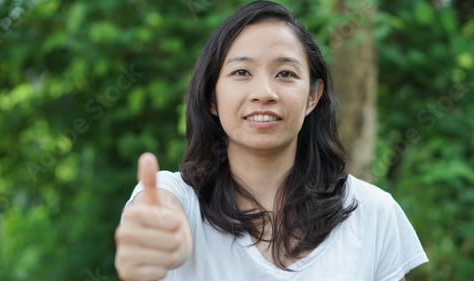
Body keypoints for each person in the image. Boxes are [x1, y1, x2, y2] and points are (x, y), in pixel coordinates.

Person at [114, 1, 428, 280]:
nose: (264, 92)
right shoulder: (174, 197)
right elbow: (158, 217)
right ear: (212, 97)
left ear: (312, 96)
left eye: (285, 74)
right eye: (241, 72)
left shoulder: (373, 213)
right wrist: (165, 241)